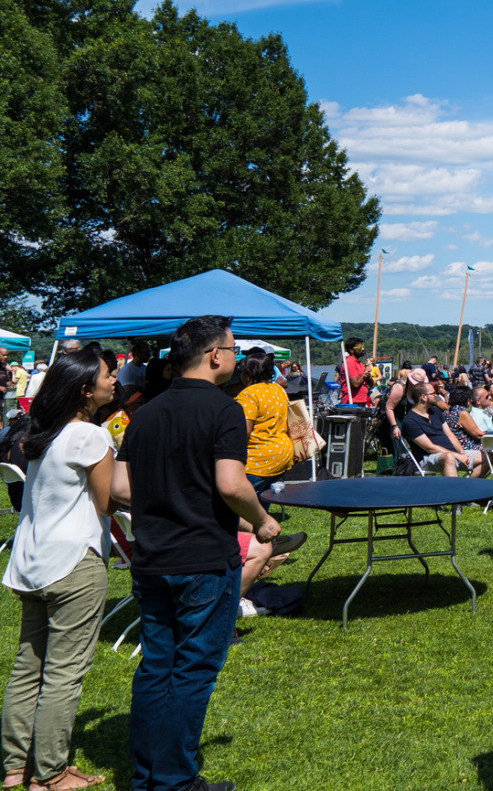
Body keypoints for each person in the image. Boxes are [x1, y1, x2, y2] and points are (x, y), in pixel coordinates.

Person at [118, 316, 279, 791]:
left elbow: (123, 485)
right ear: (214, 356)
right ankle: (173, 781)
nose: (233, 357)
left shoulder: (145, 412)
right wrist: (262, 521)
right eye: (231, 349)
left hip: (152, 555)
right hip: (203, 558)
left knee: (156, 667)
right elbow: (230, 483)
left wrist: (167, 496)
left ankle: (145, 775)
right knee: (192, 672)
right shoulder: (224, 409)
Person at [1, 350, 116, 791]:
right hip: (74, 563)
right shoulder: (90, 436)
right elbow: (106, 503)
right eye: (107, 376)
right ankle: (50, 773)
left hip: (30, 562)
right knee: (64, 673)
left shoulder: (41, 435)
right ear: (86, 388)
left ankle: (15, 767)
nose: (112, 382)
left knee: (28, 666)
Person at [234, 348, 295, 494]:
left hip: (259, 460)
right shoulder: (278, 389)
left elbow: (244, 431)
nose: (239, 375)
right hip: (283, 454)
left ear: (249, 374)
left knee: (241, 504)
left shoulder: (248, 395)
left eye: (241, 371)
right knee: (264, 498)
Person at [339, 337, 372, 407]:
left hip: (361, 401)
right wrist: (364, 376)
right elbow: (355, 384)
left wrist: (368, 376)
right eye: (360, 347)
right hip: (352, 402)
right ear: (351, 350)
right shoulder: (349, 362)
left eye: (363, 346)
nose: (363, 349)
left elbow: (371, 384)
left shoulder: (359, 363)